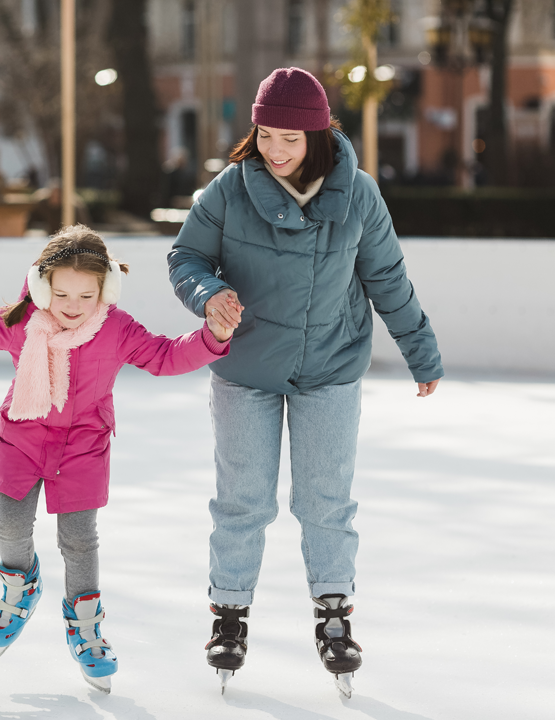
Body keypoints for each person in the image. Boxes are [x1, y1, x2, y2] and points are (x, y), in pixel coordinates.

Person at [0, 224, 233, 693]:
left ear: (105, 290)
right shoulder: (20, 321)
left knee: (79, 539)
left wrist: (213, 336)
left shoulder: (116, 328)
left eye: (86, 295)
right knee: (10, 524)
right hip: (22, 435)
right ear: (42, 286)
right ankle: (20, 586)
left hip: (83, 445)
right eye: (62, 294)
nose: (73, 306)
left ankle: (86, 627)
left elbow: (165, 356)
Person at [167, 67, 443, 697]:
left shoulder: (361, 194)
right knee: (243, 499)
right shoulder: (230, 190)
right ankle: (229, 614)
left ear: (318, 135)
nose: (277, 149)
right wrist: (208, 294)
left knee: (326, 501)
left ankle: (334, 613)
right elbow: (185, 257)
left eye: (290, 138)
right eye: (266, 135)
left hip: (330, 366)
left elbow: (388, 280)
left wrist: (420, 352)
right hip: (245, 369)